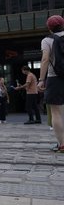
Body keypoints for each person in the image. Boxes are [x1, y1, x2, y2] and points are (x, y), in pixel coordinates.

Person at [38, 15, 64, 153]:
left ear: (49, 28)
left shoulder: (47, 40)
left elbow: (45, 59)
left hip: (55, 79)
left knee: (56, 113)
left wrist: (41, 79)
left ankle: (62, 144)